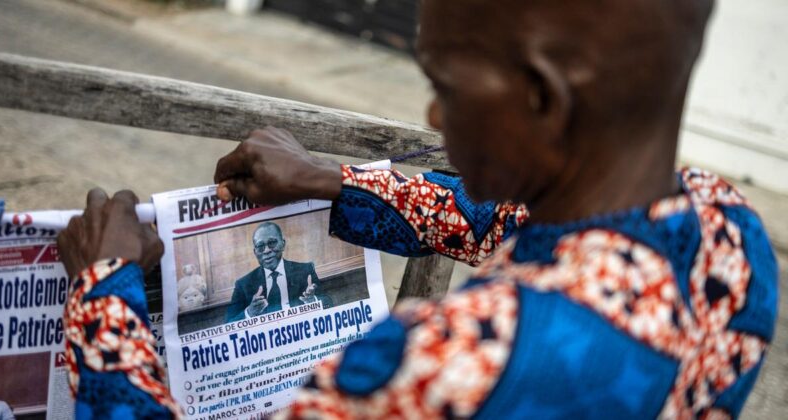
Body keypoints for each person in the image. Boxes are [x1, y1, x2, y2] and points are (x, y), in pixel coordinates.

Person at [57, 0, 778, 418]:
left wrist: (105, 295)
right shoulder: (731, 237)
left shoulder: (446, 362)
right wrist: (329, 181)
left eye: (445, 83)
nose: (432, 111)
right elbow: (507, 220)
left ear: (542, 99)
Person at [226, 222, 326, 322]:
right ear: (255, 252)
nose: (266, 250)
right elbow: (228, 324)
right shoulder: (243, 285)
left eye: (272, 243)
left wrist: (313, 301)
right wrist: (250, 312)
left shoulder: (305, 271)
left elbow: (329, 302)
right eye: (260, 246)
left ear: (283, 244)